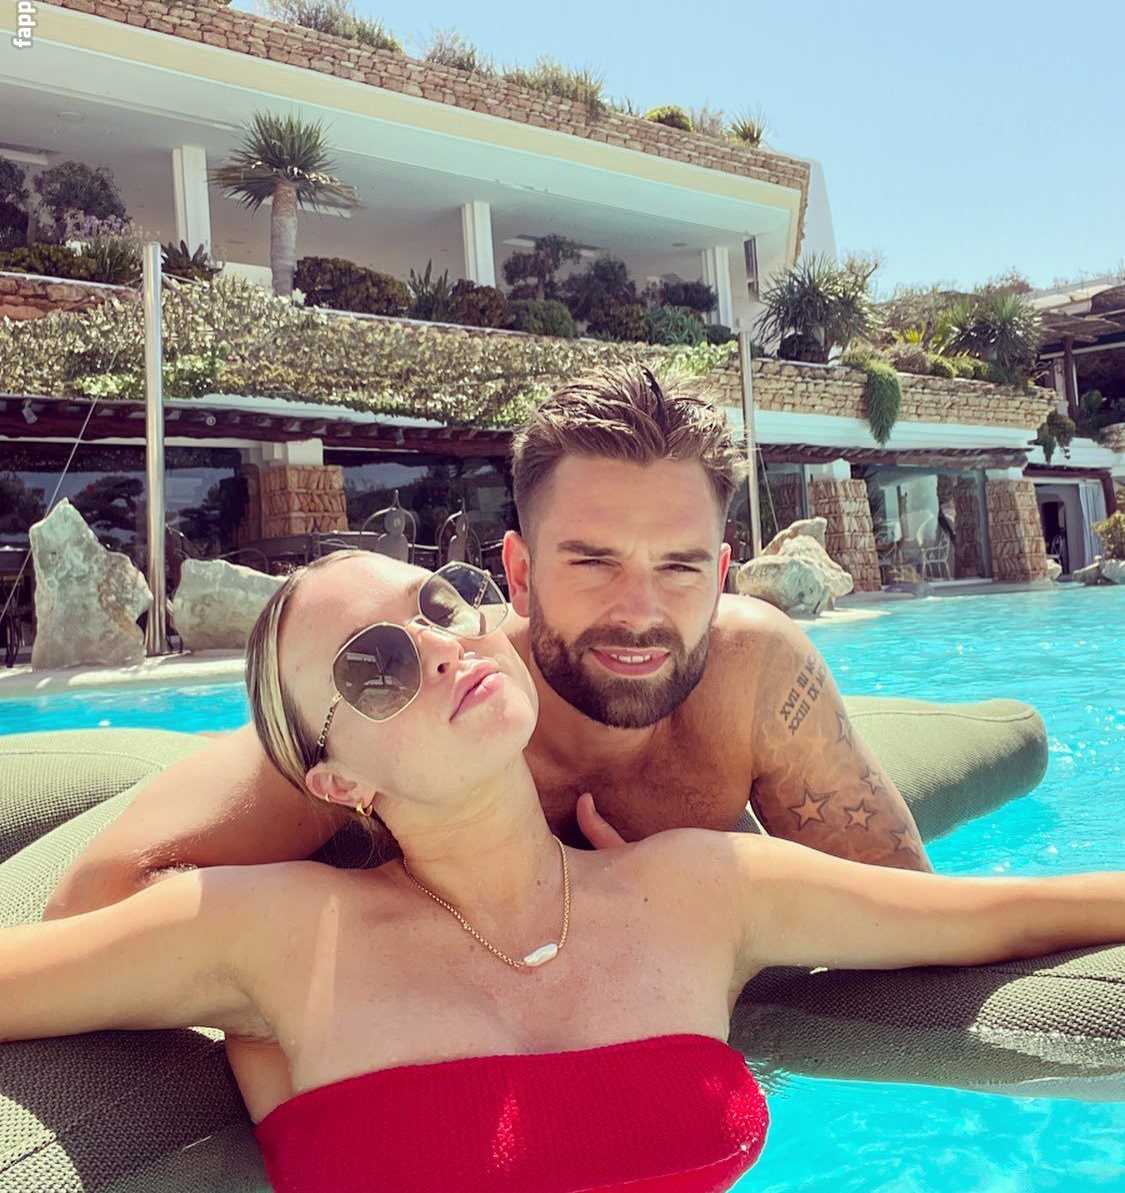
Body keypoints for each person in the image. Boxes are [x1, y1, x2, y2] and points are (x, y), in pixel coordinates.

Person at [7, 549, 1123, 1193]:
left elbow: (1012, 914)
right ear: (337, 778)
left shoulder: (698, 886)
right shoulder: (269, 929)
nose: (439, 645)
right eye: (374, 666)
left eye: (443, 602)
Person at [46, 365, 932, 937]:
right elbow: (96, 895)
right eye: (592, 562)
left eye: (679, 567)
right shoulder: (419, 705)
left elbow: (917, 913)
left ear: (723, 574)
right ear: (519, 573)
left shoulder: (756, 674)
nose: (639, 613)